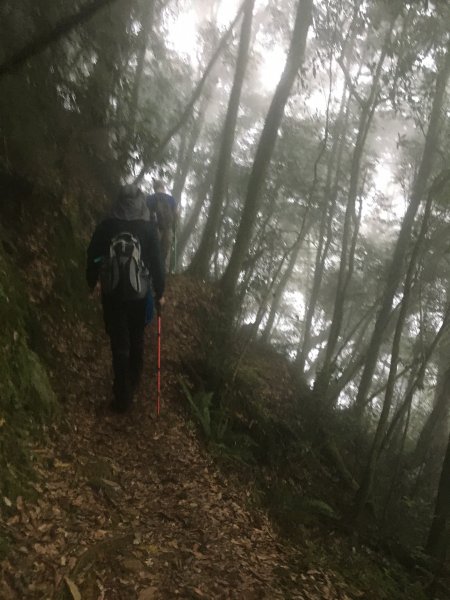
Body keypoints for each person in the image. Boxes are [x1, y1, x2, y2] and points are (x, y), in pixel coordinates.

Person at [86, 184, 165, 413]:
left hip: (112, 292)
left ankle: (122, 398)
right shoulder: (148, 228)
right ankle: (134, 381)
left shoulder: (107, 224)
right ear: (141, 201)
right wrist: (160, 292)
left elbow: (93, 254)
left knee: (119, 342)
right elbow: (157, 263)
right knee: (137, 335)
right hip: (139, 292)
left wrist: (92, 281)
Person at [146, 179, 178, 271]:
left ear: (154, 188)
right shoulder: (171, 199)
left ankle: (150, 271)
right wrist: (174, 227)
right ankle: (164, 273)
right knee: (166, 252)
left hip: (154, 228)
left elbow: (145, 214)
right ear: (163, 187)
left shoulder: (150, 198)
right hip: (168, 228)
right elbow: (176, 214)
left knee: (153, 249)